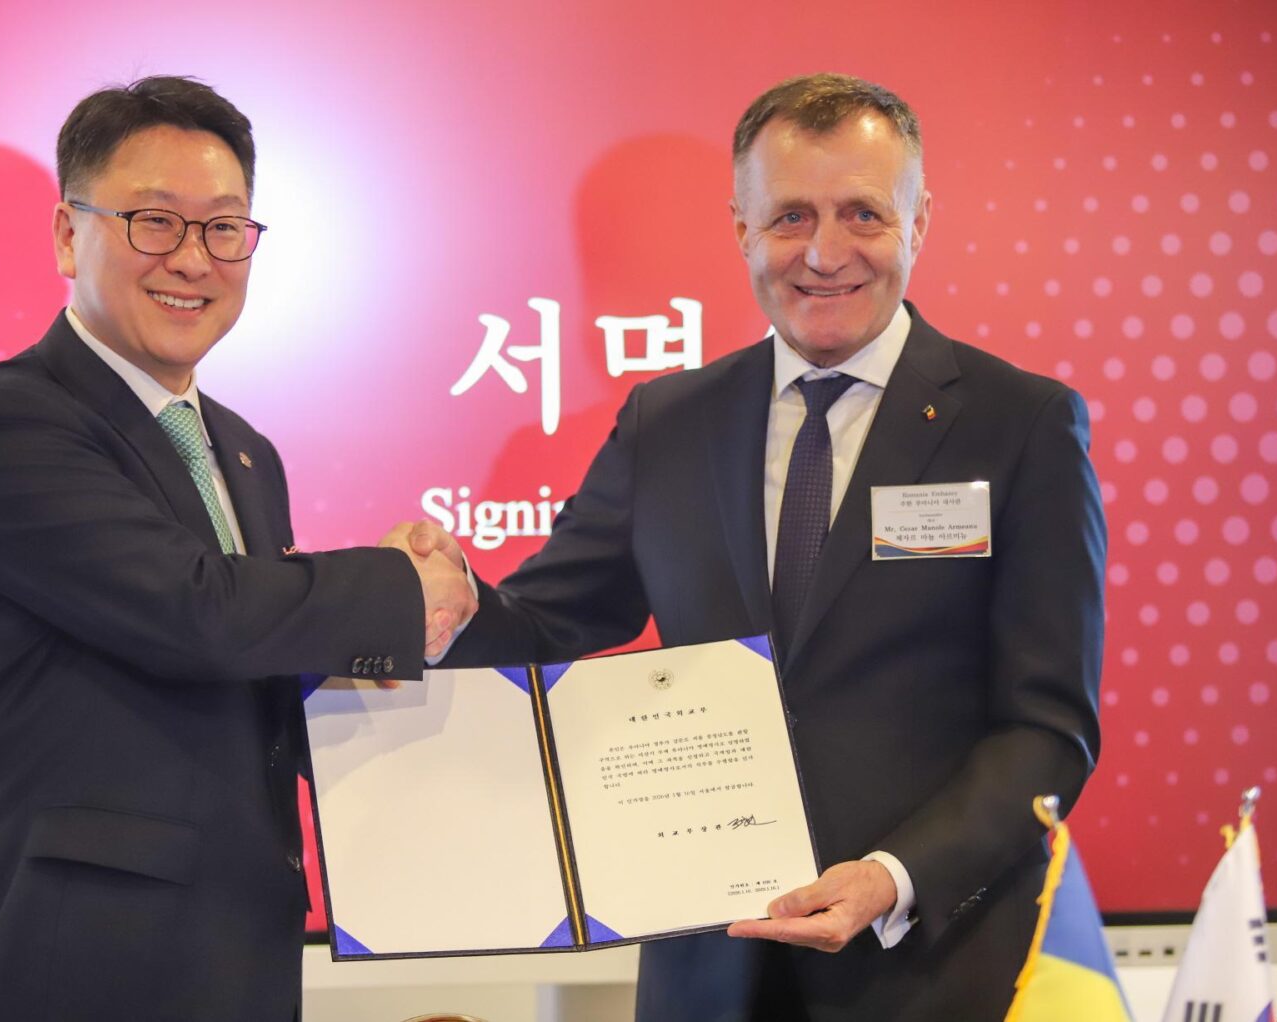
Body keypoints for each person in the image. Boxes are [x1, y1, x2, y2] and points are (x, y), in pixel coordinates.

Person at [410, 73, 1106, 1020]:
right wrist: (451, 600)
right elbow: (551, 621)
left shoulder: (1021, 425)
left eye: (863, 212)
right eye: (789, 218)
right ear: (741, 228)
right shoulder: (670, 422)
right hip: (710, 974)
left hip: (930, 970)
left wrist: (893, 877)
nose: (824, 252)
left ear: (918, 221)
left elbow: (1047, 727)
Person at [0, 76, 473, 1022]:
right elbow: (196, 612)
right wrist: (399, 591)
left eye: (223, 228)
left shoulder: (244, 451)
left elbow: (252, 661)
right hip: (57, 956)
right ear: (64, 233)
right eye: (153, 222)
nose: (193, 259)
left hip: (231, 945)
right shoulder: (5, 419)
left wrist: (421, 631)